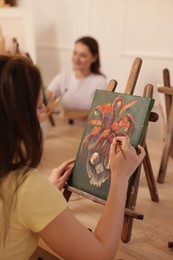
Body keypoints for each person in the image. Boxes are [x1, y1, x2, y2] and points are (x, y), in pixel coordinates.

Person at [0, 54, 145, 260]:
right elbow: (99, 255)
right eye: (40, 105)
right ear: (19, 116)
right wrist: (120, 178)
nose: (44, 111)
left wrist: (44, 193)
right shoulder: (25, 187)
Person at [46, 36, 107, 111]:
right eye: (75, 53)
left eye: (83, 55)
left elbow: (100, 113)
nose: (76, 59)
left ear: (94, 58)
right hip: (64, 122)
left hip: (86, 123)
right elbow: (45, 99)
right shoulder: (62, 77)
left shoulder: (100, 82)